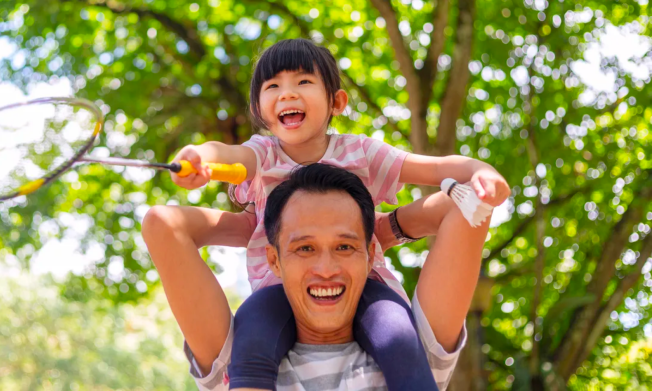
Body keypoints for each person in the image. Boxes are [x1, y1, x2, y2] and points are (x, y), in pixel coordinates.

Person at [145, 38, 509, 390]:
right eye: (273, 86)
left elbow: (433, 168)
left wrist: (482, 174)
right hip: (276, 293)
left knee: (400, 340)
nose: (288, 93)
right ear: (258, 109)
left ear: (336, 101)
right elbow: (226, 154)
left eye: (303, 81)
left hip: (368, 287)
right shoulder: (263, 154)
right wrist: (200, 158)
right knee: (251, 346)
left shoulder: (361, 153)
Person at [142, 163, 494, 390]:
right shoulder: (241, 353)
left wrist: (388, 229)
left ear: (370, 256)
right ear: (274, 261)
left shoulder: (410, 348)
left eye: (344, 247)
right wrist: (248, 225)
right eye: (305, 249)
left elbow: (463, 208)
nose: (326, 269)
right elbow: (164, 225)